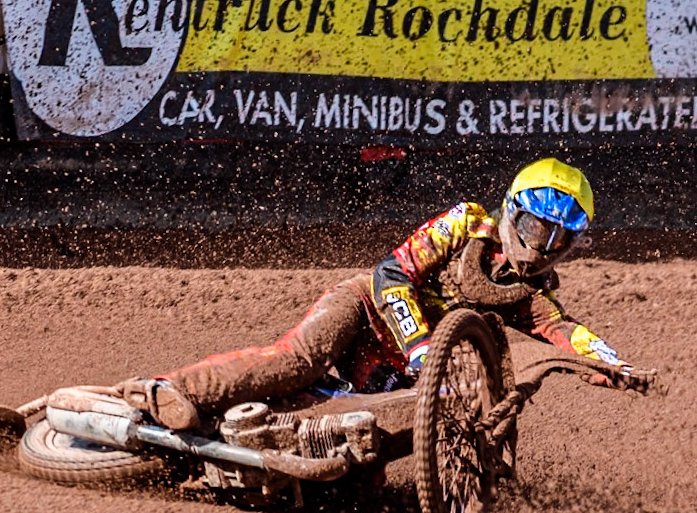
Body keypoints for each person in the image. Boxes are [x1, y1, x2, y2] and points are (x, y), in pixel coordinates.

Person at [117, 157, 632, 430]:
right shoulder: (466, 223)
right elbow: (392, 272)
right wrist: (421, 347)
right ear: (513, 212)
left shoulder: (530, 295)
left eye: (560, 239)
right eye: (539, 229)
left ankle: (273, 434)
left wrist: (614, 364)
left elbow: (568, 331)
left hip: (395, 374)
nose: (545, 247)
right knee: (298, 361)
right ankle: (165, 389)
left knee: (368, 442)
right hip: (366, 311)